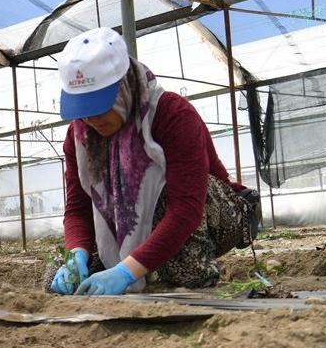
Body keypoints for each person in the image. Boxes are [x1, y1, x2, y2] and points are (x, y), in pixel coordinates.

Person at [47, 28, 259, 296]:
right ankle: (135, 262)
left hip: (213, 212)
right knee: (60, 278)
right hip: (140, 222)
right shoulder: (79, 137)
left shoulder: (172, 114)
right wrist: (76, 254)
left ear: (123, 86)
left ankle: (182, 264)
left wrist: (125, 272)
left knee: (180, 263)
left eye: (98, 106)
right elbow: (78, 208)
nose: (90, 120)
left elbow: (186, 209)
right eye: (83, 110)